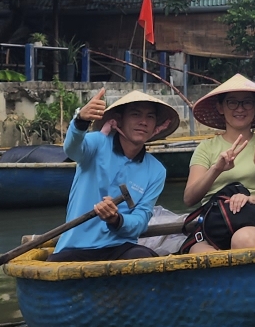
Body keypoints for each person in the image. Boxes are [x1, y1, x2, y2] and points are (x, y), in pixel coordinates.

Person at [49, 87, 178, 261]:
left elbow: (141, 219)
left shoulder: (156, 171)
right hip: (77, 246)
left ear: (156, 126)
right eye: (135, 114)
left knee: (143, 257)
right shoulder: (97, 143)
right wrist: (80, 121)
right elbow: (72, 150)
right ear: (120, 120)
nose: (143, 122)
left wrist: (116, 219)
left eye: (150, 117)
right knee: (55, 265)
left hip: (120, 247)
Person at [184, 73, 255, 251]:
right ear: (220, 107)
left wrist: (249, 199)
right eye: (232, 102)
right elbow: (189, 198)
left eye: (247, 102)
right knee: (198, 253)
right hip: (213, 223)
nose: (240, 109)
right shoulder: (206, 148)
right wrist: (217, 168)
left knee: (243, 239)